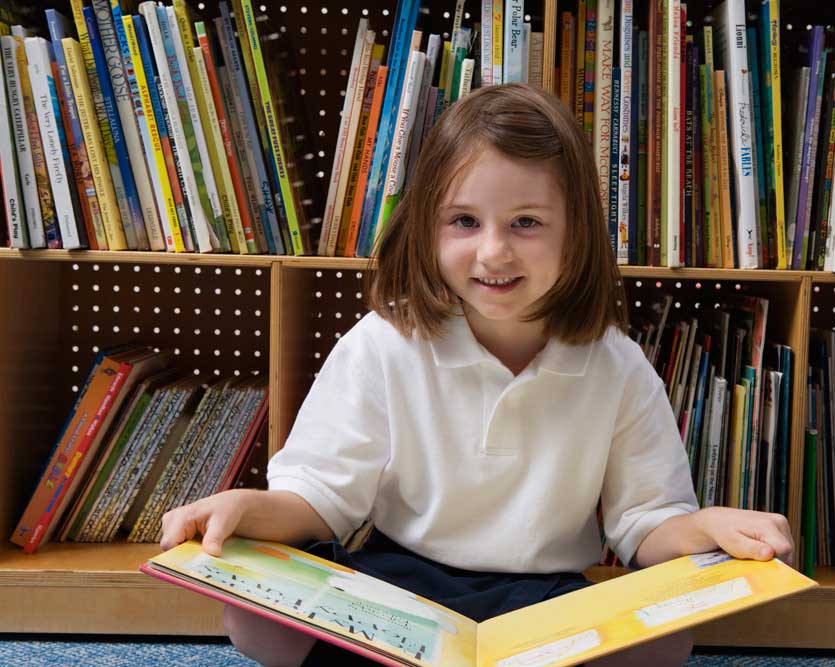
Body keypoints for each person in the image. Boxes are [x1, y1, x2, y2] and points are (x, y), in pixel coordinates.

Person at [160, 83, 793, 667]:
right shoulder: (382, 345)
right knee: (254, 625)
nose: (493, 252)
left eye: (527, 222)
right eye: (464, 221)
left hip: (546, 596)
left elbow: (645, 524)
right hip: (399, 582)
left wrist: (706, 525)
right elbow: (319, 501)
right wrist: (247, 506)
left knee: (666, 647)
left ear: (576, 233)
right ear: (427, 228)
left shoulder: (616, 364)